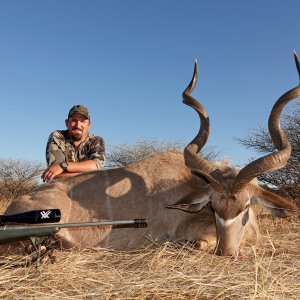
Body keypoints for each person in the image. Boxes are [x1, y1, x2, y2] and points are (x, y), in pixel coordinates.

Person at [41, 105, 105, 182]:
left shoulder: (96, 140)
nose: (78, 125)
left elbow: (96, 165)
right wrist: (90, 175)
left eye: (83, 121)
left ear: (89, 125)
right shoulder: (57, 136)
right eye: (74, 120)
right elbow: (55, 174)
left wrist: (63, 166)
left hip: (89, 188)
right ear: (67, 123)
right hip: (61, 187)